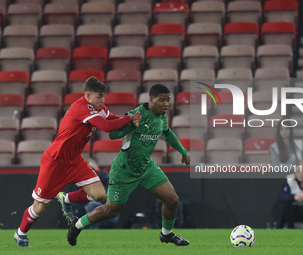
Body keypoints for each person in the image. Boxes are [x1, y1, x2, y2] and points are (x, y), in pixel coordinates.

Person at [14, 77, 141, 247]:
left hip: (75, 160)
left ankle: (66, 198)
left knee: (99, 195)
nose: (102, 100)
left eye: (103, 96)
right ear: (87, 95)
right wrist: (129, 118)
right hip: (55, 161)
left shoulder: (99, 108)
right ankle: (21, 234)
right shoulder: (81, 107)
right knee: (39, 207)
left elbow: (112, 119)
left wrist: (129, 119)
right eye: (99, 96)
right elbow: (107, 127)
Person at [66, 84, 191, 246]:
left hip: (146, 167)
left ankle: (166, 234)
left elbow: (167, 133)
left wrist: (182, 151)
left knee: (172, 199)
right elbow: (113, 134)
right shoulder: (136, 114)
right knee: (111, 210)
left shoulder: (162, 117)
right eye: (162, 100)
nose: (166, 104)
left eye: (168, 100)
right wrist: (131, 125)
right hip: (124, 170)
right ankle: (77, 225)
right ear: (151, 100)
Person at [58, 158, 120, 229]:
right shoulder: (81, 181)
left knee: (92, 205)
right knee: (73, 204)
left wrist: (91, 196)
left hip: (107, 213)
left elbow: (107, 197)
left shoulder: (107, 178)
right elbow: (76, 197)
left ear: (96, 166)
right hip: (86, 211)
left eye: (91, 168)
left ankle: (92, 231)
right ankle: (75, 228)